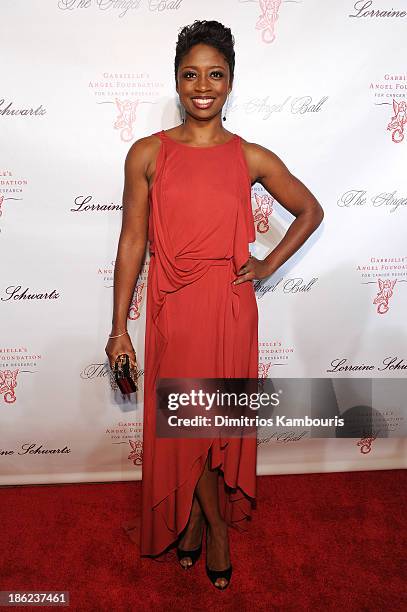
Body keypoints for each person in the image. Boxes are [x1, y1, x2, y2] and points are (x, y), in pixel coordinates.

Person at [105, 19, 324, 590]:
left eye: (215, 74)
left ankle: (206, 526)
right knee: (190, 420)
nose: (202, 85)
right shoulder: (147, 154)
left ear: (231, 83)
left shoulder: (249, 157)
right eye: (190, 74)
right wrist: (118, 328)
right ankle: (212, 524)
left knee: (212, 418)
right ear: (176, 81)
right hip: (173, 305)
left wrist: (267, 264)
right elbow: (132, 242)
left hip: (229, 306)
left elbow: (310, 210)